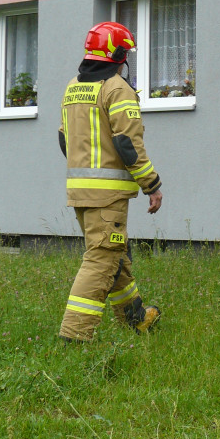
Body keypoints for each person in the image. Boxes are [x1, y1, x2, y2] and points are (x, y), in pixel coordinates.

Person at [58, 21, 163, 343]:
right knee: (101, 260)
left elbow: (64, 140)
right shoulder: (117, 88)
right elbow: (127, 144)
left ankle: (136, 319)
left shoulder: (74, 86)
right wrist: (152, 184)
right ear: (118, 54)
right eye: (126, 52)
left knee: (116, 257)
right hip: (108, 196)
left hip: (81, 191)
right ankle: (74, 336)